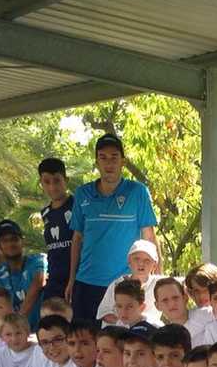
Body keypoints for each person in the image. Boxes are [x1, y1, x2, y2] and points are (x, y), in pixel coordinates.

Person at [65, 133, 158, 322]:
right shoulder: (82, 193)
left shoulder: (137, 191)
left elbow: (149, 237)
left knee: (125, 339)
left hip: (125, 285)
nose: (109, 163)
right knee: (84, 337)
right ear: (96, 162)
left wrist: (158, 280)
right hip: (87, 282)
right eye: (103, 157)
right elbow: (77, 239)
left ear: (123, 161)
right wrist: (72, 279)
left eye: (114, 157)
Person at [0, 219, 46, 329]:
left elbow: (39, 281)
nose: (10, 244)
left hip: (40, 332)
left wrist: (17, 321)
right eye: (5, 241)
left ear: (22, 241)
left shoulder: (38, 260)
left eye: (14, 239)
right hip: (10, 335)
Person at [94, 238, 164, 324]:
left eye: (147, 260)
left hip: (149, 330)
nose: (141, 264)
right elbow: (104, 312)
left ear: (154, 265)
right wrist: (123, 324)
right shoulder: (117, 284)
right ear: (129, 261)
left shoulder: (160, 285)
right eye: (136, 259)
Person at [36, 158, 74, 302]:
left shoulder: (77, 206)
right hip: (54, 280)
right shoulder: (45, 213)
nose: (52, 186)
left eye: (57, 180)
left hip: (76, 279)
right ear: (41, 184)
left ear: (66, 180)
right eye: (47, 182)